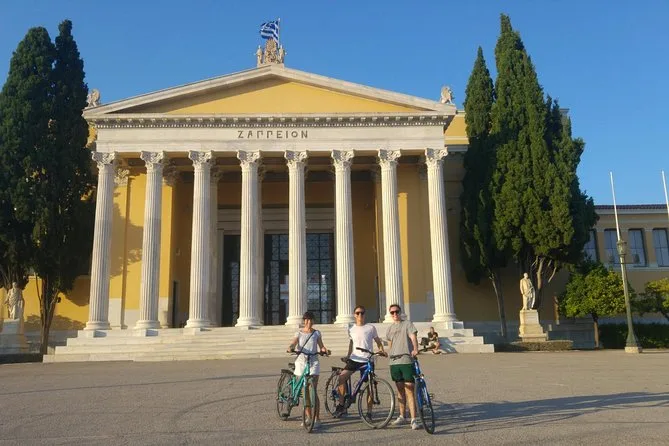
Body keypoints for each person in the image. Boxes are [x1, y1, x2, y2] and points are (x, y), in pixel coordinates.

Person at [333, 305, 386, 418]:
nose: (360, 315)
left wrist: (381, 350)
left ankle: (369, 412)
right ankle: (341, 405)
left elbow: (378, 341)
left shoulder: (371, 328)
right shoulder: (351, 328)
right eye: (358, 313)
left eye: (362, 313)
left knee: (370, 386)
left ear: (365, 314)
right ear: (354, 315)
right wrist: (348, 356)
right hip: (354, 359)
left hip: (367, 360)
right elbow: (351, 343)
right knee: (342, 377)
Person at [287, 311, 329, 429]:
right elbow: (294, 342)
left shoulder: (316, 333)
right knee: (304, 391)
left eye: (310, 320)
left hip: (313, 362)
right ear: (304, 321)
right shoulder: (299, 333)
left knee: (313, 390)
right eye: (306, 320)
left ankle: (317, 418)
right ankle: (308, 417)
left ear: (313, 321)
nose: (308, 322)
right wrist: (291, 347)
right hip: (301, 363)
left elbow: (321, 346)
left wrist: (324, 350)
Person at [386, 304, 420, 430]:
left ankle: (413, 419)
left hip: (406, 360)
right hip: (394, 362)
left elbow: (413, 337)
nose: (395, 314)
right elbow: (390, 344)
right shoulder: (389, 328)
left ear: (400, 312)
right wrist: (389, 355)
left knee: (409, 389)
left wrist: (415, 348)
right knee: (400, 390)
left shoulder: (407, 324)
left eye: (397, 312)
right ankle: (402, 416)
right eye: (392, 312)